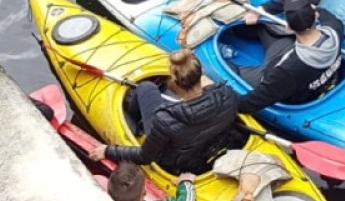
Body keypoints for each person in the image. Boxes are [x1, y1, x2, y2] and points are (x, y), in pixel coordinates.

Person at [88, 49, 247, 176]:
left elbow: (145, 157)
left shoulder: (164, 119)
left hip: (181, 162)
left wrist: (108, 151)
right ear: (202, 73)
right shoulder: (227, 93)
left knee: (146, 88)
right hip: (215, 147)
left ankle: (137, 126)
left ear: (174, 82)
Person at [234, 0, 345, 115]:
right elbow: (291, 0)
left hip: (283, 84)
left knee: (234, 70)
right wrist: (261, 10)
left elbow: (249, 104)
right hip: (307, 73)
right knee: (263, 27)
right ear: (316, 16)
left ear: (288, 27)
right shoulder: (335, 28)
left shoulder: (286, 70)